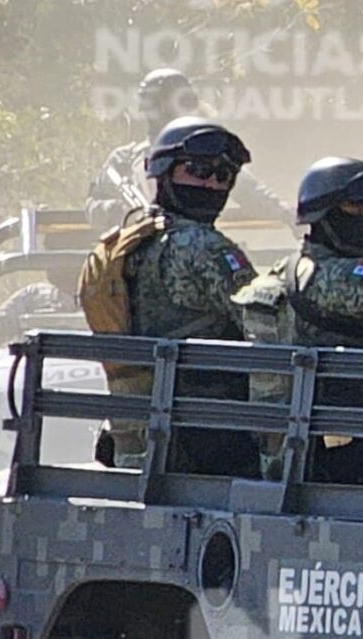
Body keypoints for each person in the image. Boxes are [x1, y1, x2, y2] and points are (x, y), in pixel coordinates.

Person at [236, 157, 363, 482]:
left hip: (281, 453)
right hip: (344, 457)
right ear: (323, 214)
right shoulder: (334, 279)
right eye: (355, 209)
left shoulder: (281, 274)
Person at [102, 116, 262, 474]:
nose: (211, 184)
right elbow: (268, 324)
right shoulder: (203, 247)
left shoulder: (132, 238)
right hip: (208, 429)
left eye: (223, 177)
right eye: (198, 170)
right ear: (164, 170)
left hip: (144, 427)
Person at [88, 69, 288, 230]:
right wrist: (116, 212)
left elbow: (250, 191)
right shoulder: (125, 160)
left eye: (183, 102)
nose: (180, 110)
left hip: (191, 251)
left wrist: (287, 215)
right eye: (173, 103)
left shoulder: (204, 152)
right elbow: (92, 206)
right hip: (138, 253)